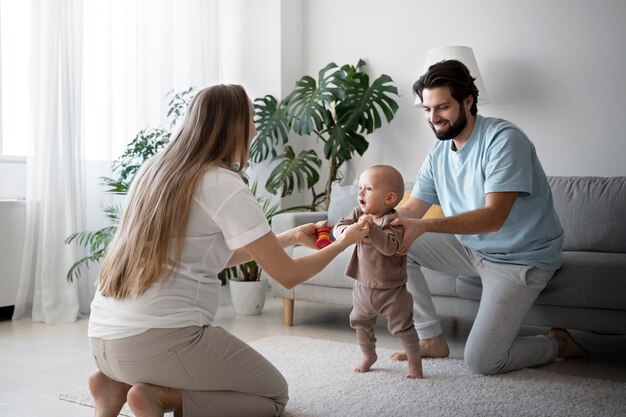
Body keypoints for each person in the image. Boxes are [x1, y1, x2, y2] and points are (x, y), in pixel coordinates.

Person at [87, 84, 370, 417]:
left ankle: (114, 385)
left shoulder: (154, 172)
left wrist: (290, 237)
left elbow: (212, 258)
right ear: (233, 125)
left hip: (104, 341)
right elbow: (289, 276)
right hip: (160, 342)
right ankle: (157, 396)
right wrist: (343, 242)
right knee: (274, 397)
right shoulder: (219, 182)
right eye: (251, 118)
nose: (255, 127)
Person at [390, 59, 588, 375]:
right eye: (427, 110)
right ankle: (431, 339)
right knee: (393, 240)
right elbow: (412, 209)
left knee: (483, 362)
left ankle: (557, 345)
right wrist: (373, 219)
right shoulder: (439, 153)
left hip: (520, 259)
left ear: (467, 101)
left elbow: (493, 217)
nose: (434, 118)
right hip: (473, 250)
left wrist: (424, 226)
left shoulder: (503, 140)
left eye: (442, 107)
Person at [333, 165, 423, 379]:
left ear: (390, 198)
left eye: (368, 188)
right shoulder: (357, 214)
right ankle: (368, 355)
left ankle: (414, 360)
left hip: (392, 290)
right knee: (359, 322)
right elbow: (338, 227)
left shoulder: (394, 222)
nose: (360, 193)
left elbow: (390, 247)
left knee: (403, 327)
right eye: (360, 188)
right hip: (363, 285)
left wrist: (371, 229)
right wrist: (348, 232)